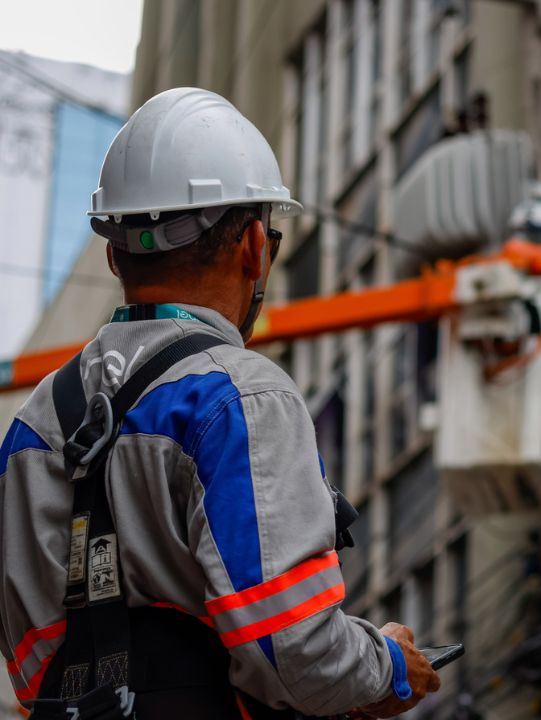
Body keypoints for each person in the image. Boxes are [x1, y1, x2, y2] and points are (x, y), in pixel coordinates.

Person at [0, 87, 440, 719]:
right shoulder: (240, 395)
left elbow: (29, 660)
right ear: (254, 247)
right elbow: (298, 648)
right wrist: (388, 665)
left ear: (113, 252)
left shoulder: (32, 428)